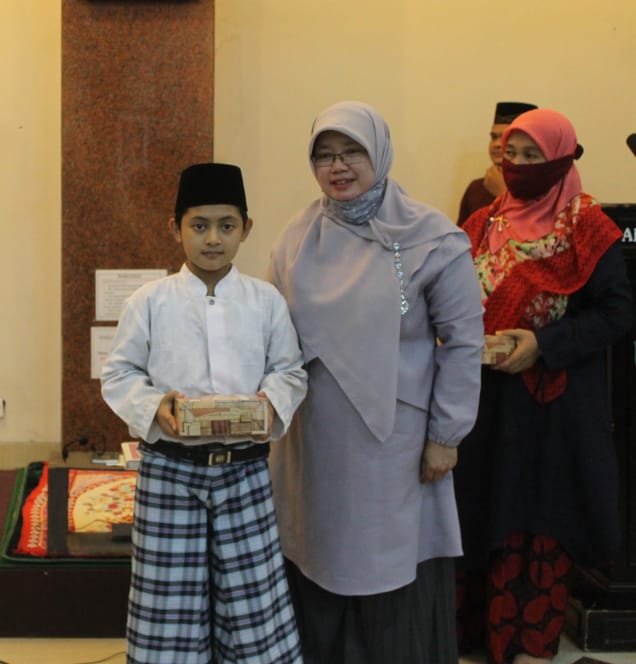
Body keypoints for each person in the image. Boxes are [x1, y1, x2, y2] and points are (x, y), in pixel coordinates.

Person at [268, 101, 484, 663]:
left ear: (379, 153)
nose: (337, 167)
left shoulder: (431, 236)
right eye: (324, 156)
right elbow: (267, 329)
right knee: (321, 561)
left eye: (351, 152)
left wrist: (447, 436)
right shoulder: (297, 236)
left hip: (397, 445)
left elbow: (463, 342)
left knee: (389, 573)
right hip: (314, 441)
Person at [101, 162, 307, 664]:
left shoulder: (266, 301)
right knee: (166, 609)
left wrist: (268, 404)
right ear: (175, 229)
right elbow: (119, 374)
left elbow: (290, 372)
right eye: (199, 226)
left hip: (244, 474)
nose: (213, 239)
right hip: (169, 471)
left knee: (252, 604)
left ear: (246, 229)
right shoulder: (149, 302)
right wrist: (156, 406)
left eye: (226, 225)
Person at [454, 108, 634, 664]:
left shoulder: (588, 226)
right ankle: (472, 638)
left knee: (536, 520)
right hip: (484, 404)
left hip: (549, 409)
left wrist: (543, 345)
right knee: (479, 510)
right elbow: (440, 298)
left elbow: (618, 313)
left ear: (561, 158)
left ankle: (524, 644)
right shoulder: (482, 223)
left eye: (534, 156)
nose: (520, 166)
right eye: (513, 154)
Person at [457, 101, 538, 226]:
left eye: (505, 137)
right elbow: (461, 241)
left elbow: (535, 237)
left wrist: (503, 194)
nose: (497, 144)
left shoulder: (542, 191)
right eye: (494, 137)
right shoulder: (477, 187)